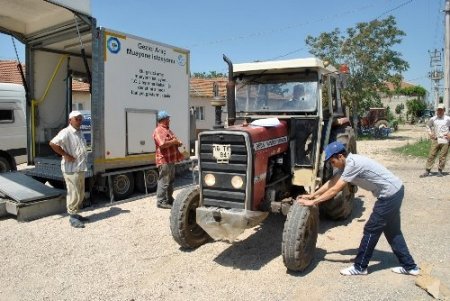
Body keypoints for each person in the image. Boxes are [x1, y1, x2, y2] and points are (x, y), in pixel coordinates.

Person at [298, 141, 419, 276]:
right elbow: (331, 182)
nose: (332, 165)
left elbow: (335, 190)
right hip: (395, 191)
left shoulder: (353, 164)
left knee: (371, 229)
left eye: (332, 162)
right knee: (393, 231)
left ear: (340, 157)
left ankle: (360, 266)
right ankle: (410, 266)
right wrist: (312, 195)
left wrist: (314, 202)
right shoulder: (347, 164)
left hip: (389, 196)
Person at [49, 110, 89, 228]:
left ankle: (76, 214)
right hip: (71, 169)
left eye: (80, 119)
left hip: (80, 168)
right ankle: (72, 217)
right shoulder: (66, 132)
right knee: (74, 193)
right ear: (70, 120)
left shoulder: (79, 132)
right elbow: (53, 143)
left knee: (80, 194)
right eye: (76, 119)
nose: (79, 121)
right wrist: (65, 155)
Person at [152, 110, 184, 209]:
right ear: (164, 119)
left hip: (170, 160)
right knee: (164, 181)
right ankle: (161, 201)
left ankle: (169, 199)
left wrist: (178, 142)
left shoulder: (167, 130)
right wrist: (174, 142)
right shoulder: (158, 130)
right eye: (168, 118)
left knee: (171, 181)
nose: (169, 120)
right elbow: (162, 144)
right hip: (164, 160)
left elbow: (172, 141)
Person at [419, 103, 450, 178]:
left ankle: (440, 171)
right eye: (438, 110)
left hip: (445, 139)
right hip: (436, 139)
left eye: (441, 110)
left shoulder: (448, 119)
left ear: (444, 110)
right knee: (431, 155)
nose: (439, 111)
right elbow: (428, 126)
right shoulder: (433, 119)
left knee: (442, 156)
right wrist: (430, 134)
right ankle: (427, 170)